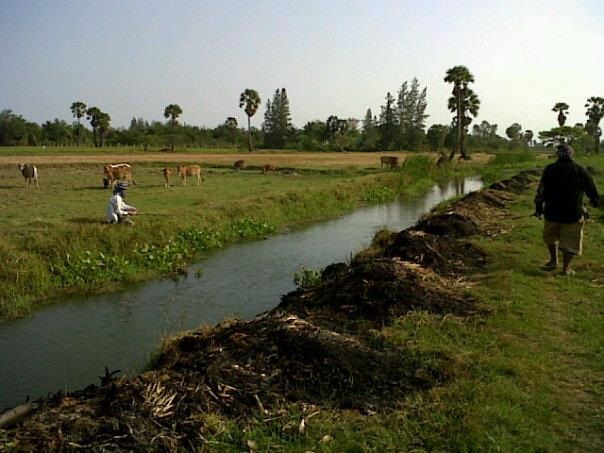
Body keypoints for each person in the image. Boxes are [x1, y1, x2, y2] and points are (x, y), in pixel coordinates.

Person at [534, 144, 599, 275]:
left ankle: (553, 261)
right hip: (573, 213)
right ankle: (566, 268)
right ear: (571, 154)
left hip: (552, 212)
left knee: (550, 238)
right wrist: (594, 201)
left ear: (558, 155)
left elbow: (540, 192)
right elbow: (591, 189)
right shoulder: (580, 169)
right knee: (569, 241)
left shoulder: (549, 169)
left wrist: (538, 208)